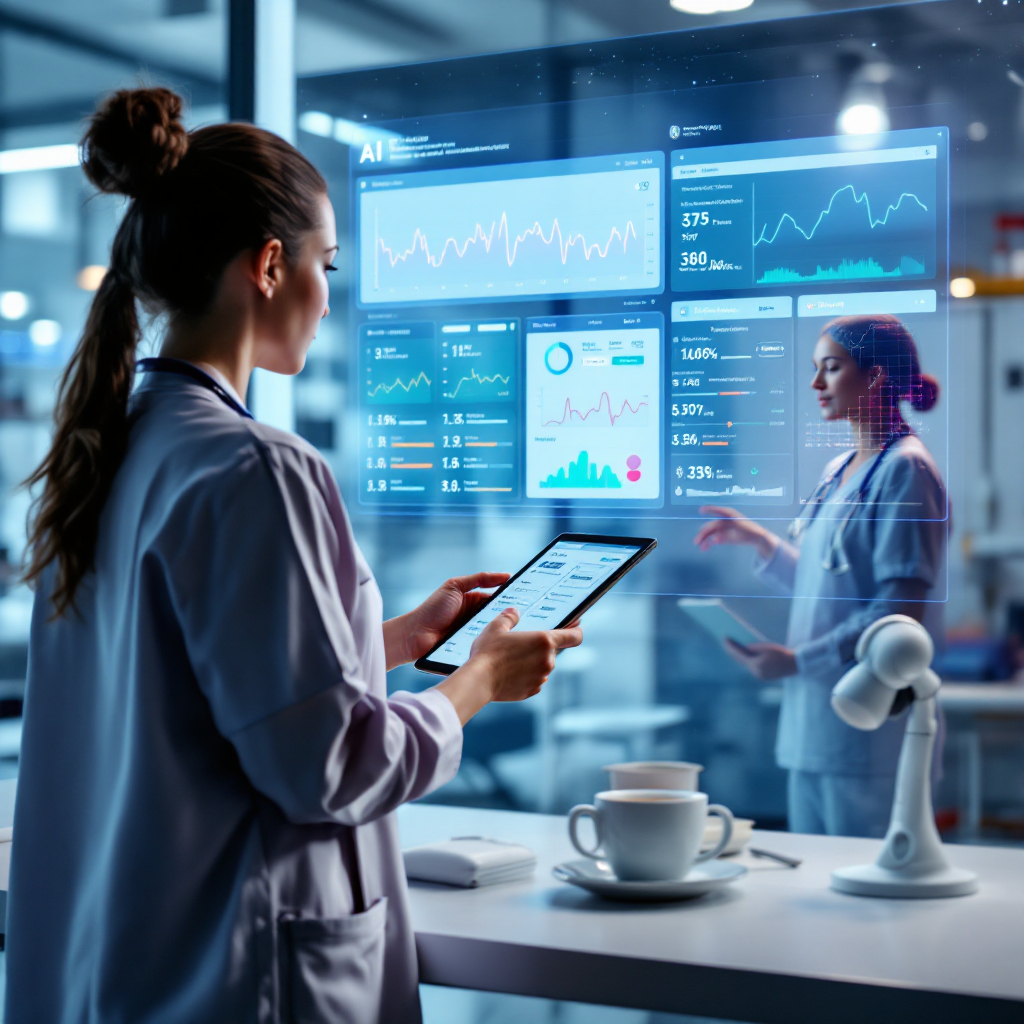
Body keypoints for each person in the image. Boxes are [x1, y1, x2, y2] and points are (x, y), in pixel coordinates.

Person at [5, 88, 582, 1024]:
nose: (328, 295)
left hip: (129, 955)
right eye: (327, 263)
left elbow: (188, 684)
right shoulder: (259, 467)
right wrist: (476, 683)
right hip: (242, 972)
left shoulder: (114, 445)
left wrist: (385, 640)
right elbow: (334, 771)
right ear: (270, 266)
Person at [694, 314, 946, 838]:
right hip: (812, 727)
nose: (815, 384)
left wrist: (797, 661)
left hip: (869, 733)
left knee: (865, 899)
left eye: (830, 368)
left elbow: (897, 613)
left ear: (875, 376)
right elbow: (827, 581)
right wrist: (760, 540)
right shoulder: (842, 468)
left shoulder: (907, 470)